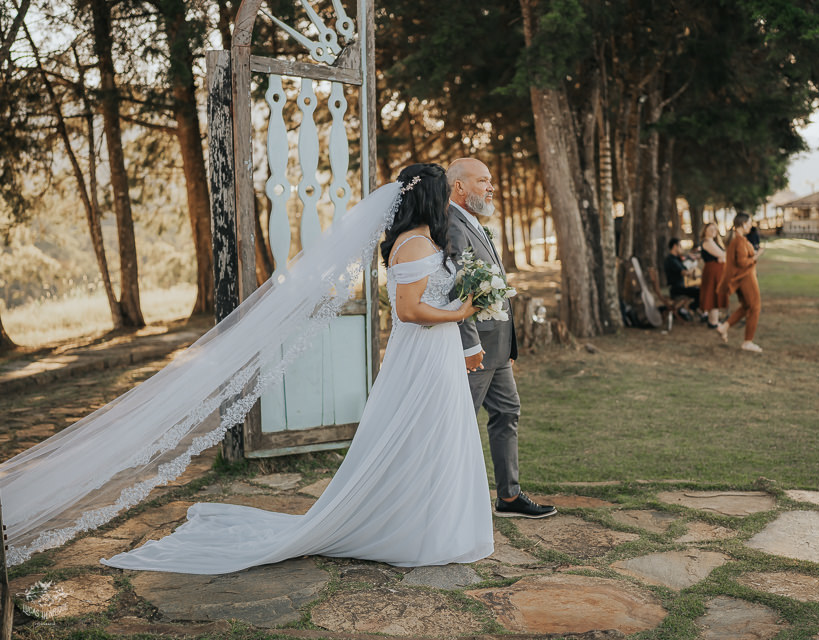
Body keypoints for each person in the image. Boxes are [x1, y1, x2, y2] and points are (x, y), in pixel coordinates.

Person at [101, 164, 496, 573]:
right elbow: (409, 310)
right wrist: (460, 312)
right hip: (422, 356)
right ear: (430, 197)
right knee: (422, 433)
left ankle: (431, 521)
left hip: (437, 351)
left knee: (436, 433)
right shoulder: (413, 244)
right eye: (443, 193)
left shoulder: (422, 240)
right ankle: (413, 527)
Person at [445, 157, 557, 519]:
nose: (491, 187)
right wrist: (470, 346)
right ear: (459, 186)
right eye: (482, 181)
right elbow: (458, 290)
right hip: (475, 349)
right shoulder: (452, 225)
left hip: (497, 347)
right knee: (459, 424)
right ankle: (448, 501)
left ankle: (509, 496)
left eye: (490, 180)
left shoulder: (474, 221)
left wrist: (509, 345)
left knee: (507, 412)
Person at [716, 212, 762, 353]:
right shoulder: (739, 241)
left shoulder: (738, 240)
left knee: (747, 306)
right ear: (743, 224)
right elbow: (742, 263)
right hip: (745, 278)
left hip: (743, 278)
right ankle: (748, 342)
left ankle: (724, 327)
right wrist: (757, 255)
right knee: (755, 307)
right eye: (749, 223)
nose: (751, 226)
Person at [698, 222, 727, 328]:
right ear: (705, 231)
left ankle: (713, 320)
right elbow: (722, 255)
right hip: (712, 272)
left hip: (716, 271)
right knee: (713, 296)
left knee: (715, 295)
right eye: (710, 229)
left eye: (715, 229)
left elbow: (723, 257)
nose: (713, 231)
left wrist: (722, 258)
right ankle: (713, 322)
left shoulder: (713, 242)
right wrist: (722, 257)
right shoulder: (707, 242)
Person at [664, 238, 700, 321]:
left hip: (680, 287)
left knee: (698, 289)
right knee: (699, 292)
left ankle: (689, 310)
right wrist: (693, 269)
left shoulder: (677, 259)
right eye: (680, 246)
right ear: (675, 246)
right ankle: (690, 308)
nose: (681, 248)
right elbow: (684, 272)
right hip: (676, 289)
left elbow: (686, 271)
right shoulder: (671, 260)